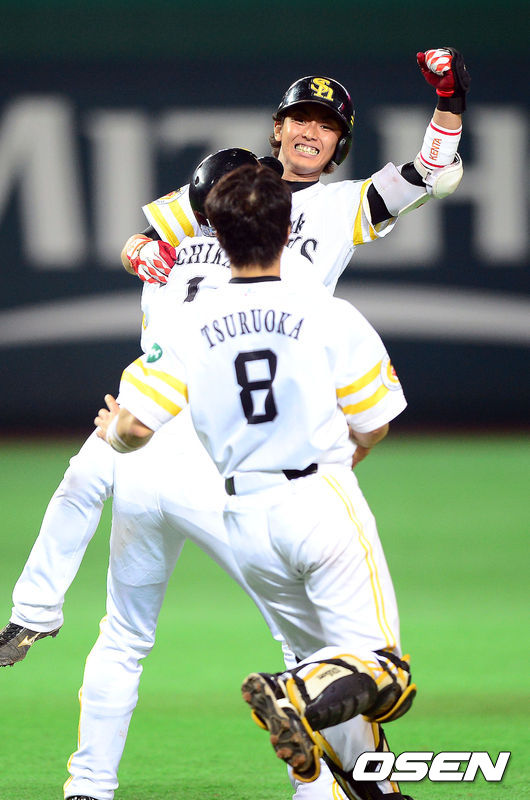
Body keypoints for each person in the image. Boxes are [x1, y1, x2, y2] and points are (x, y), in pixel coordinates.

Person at [0, 47, 469, 800]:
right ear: (277, 129)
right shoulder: (235, 188)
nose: (310, 131)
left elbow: (429, 175)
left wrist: (448, 107)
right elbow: (146, 239)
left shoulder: (316, 204)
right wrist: (138, 249)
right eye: (300, 118)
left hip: (169, 418)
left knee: (116, 580)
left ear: (338, 143)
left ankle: (84, 768)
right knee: (310, 644)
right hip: (231, 453)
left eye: (326, 124)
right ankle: (339, 785)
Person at [95, 162, 415, 800]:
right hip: (318, 500)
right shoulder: (327, 313)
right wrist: (350, 454)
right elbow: (375, 423)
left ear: (216, 233)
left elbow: (133, 427)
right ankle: (290, 693)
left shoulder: (186, 323)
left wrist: (113, 434)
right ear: (289, 228)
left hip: (244, 518)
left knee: (330, 666)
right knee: (384, 674)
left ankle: (373, 787)